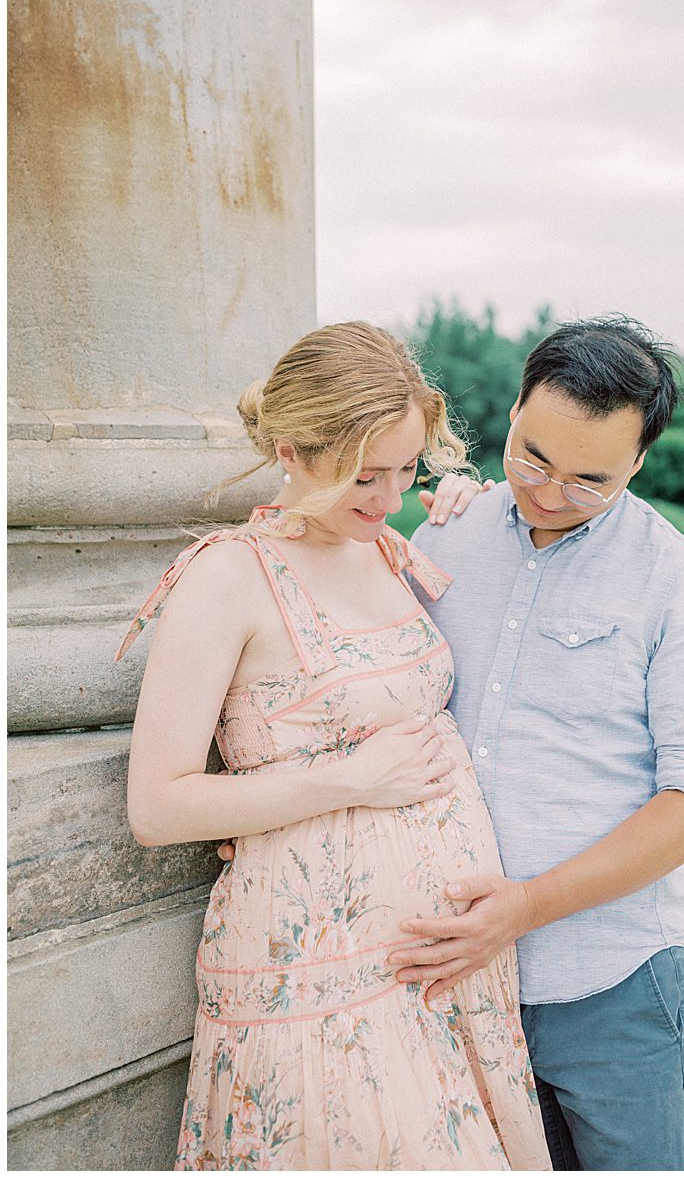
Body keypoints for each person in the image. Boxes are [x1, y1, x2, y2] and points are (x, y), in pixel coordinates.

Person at [118, 322, 551, 1172]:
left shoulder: (386, 544)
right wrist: (348, 779)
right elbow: (156, 803)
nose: (391, 496)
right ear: (292, 449)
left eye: (408, 468)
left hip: (442, 967)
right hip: (316, 975)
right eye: (367, 474)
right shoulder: (228, 575)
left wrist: (465, 502)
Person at [389, 315, 684, 1171]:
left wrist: (527, 904)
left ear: (638, 462)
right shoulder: (445, 531)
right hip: (453, 973)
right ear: (512, 409)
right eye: (531, 457)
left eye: (589, 480)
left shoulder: (677, 578)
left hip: (611, 981)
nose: (549, 492)